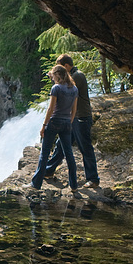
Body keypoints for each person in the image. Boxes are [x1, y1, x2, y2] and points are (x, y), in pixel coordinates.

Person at [45, 54, 100, 188]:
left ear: (67, 66)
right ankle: (49, 170)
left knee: (85, 147)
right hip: (72, 118)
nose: (58, 71)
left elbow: (64, 88)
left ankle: (93, 179)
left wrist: (54, 78)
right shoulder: (73, 75)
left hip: (81, 117)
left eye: (60, 68)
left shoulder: (77, 76)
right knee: (61, 145)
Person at [29, 64, 78, 191]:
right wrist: (69, 122)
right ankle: (74, 185)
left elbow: (51, 109)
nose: (52, 78)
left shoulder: (56, 88)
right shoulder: (74, 89)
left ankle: (36, 184)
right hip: (67, 123)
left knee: (44, 153)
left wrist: (44, 125)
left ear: (57, 75)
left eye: (53, 75)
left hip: (55, 121)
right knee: (69, 154)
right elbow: (74, 110)